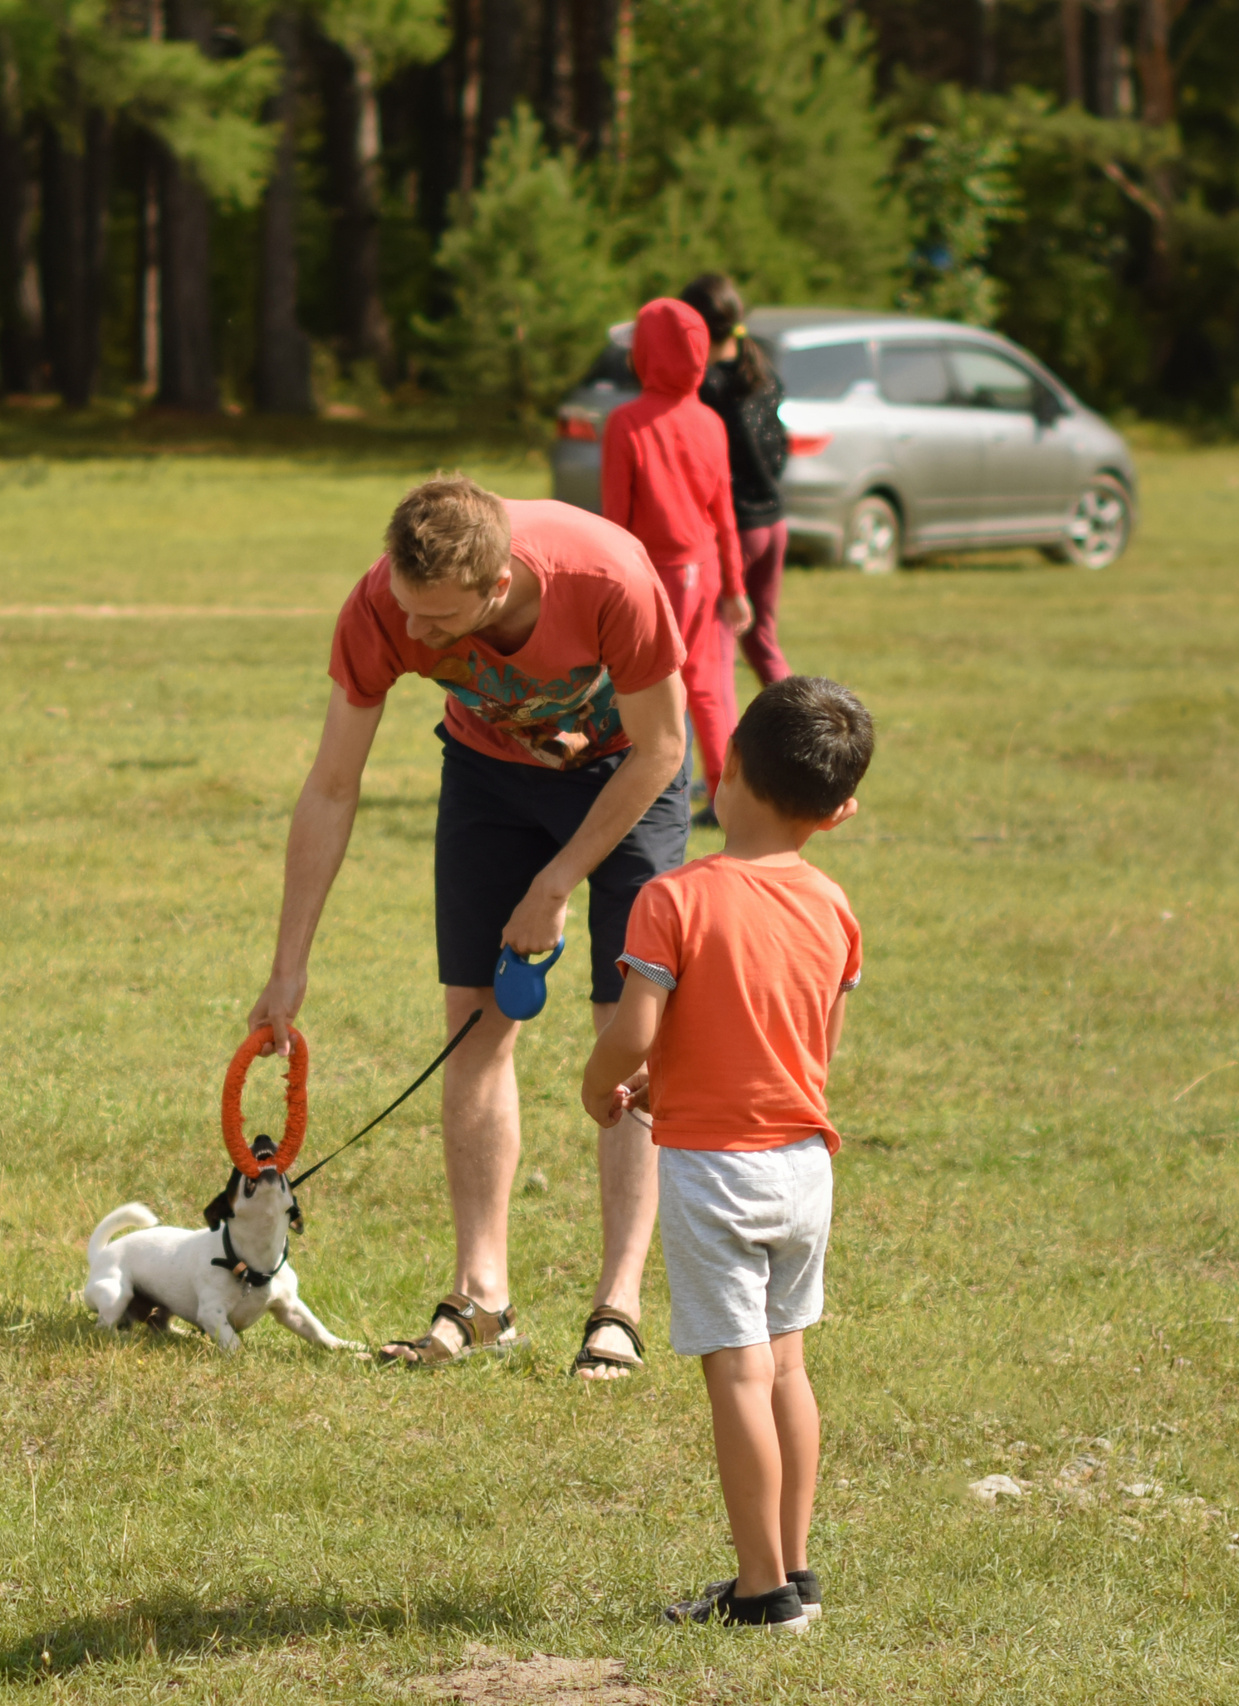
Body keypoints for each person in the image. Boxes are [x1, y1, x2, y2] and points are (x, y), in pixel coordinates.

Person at [245, 475, 691, 1377]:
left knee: (630, 1035)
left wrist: (558, 881)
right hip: (489, 776)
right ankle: (483, 1296)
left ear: (498, 588)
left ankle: (620, 1306)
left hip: (625, 781)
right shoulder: (383, 606)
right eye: (407, 611)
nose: (414, 638)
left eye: (438, 624)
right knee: (476, 1027)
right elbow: (332, 785)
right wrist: (288, 967)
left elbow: (665, 747)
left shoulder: (608, 580)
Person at [577, 676, 871, 1630]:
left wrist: (606, 1088)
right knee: (788, 1366)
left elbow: (635, 1031)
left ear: (726, 769)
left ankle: (759, 1594)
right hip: (804, 1167)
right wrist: (673, 1084)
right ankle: (795, 1568)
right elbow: (801, 1043)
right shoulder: (833, 907)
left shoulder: (673, 899)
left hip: (715, 1174)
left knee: (738, 1375)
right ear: (840, 810)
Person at [602, 297, 754, 815]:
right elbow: (725, 514)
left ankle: (638, 792)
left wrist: (605, 591)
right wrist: (735, 586)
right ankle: (729, 796)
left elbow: (615, 520)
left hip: (651, 578)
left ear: (644, 353)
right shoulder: (710, 421)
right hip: (706, 572)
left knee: (638, 688)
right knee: (709, 691)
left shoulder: (626, 422)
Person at [684, 274, 792, 690]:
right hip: (774, 522)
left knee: (719, 644)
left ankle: (727, 742)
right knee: (762, 640)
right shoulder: (762, 373)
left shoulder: (709, 388)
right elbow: (780, 448)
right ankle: (799, 726)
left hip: (738, 531)